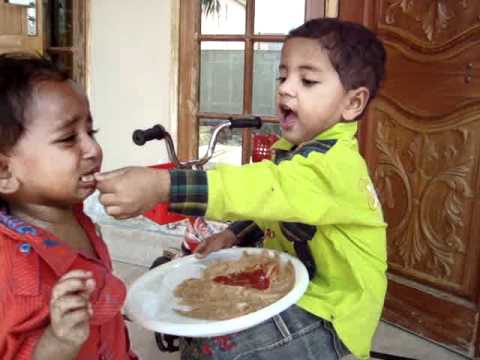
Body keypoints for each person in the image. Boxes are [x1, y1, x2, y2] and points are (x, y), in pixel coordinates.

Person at [95, 17, 387, 360]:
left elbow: (266, 190)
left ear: (352, 104)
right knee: (204, 325)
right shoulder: (291, 152)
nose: (285, 88)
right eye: (282, 76)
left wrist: (163, 185)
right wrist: (234, 234)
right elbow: (274, 209)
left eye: (307, 80)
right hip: (295, 284)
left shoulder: (335, 168)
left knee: (222, 351)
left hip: (332, 309)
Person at [0, 53, 137, 360]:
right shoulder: (14, 272)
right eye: (67, 138)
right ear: (4, 172)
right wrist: (57, 343)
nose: (93, 149)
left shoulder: (73, 213)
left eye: (91, 132)